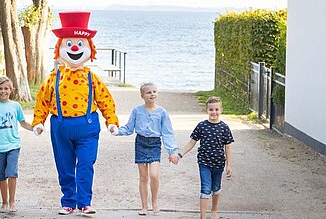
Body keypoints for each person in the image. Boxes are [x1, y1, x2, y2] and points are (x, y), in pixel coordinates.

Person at [32, 11, 119, 216]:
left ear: (90, 48)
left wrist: (111, 121)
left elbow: (105, 100)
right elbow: (43, 100)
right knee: (64, 166)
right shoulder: (54, 77)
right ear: (59, 48)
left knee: (86, 163)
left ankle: (85, 202)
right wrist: (38, 121)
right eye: (69, 43)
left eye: (80, 44)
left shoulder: (92, 77)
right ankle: (68, 201)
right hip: (60, 126)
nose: (74, 48)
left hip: (87, 126)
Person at [109, 82, 179, 216]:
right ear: (142, 95)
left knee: (154, 175)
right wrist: (116, 130)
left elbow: (167, 132)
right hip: (140, 143)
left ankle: (154, 202)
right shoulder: (137, 111)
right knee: (143, 177)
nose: (152, 94)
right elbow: (129, 128)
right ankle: (144, 206)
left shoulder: (162, 112)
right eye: (148, 92)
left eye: (154, 91)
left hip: (154, 144)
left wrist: (172, 151)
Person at [0, 76, 33, 213]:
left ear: (11, 90)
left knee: (12, 173)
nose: (3, 91)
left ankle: (12, 201)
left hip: (13, 145)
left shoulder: (16, 106)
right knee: (1, 176)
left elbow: (23, 123)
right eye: (0, 89)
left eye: (6, 88)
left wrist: (35, 128)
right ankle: (4, 202)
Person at [175, 96, 234, 219]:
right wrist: (180, 154)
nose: (214, 112)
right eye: (211, 109)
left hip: (219, 163)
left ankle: (214, 211)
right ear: (207, 110)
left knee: (216, 188)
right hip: (204, 163)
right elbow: (192, 142)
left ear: (221, 110)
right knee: (206, 188)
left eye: (216, 109)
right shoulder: (202, 126)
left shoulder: (224, 127)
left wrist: (229, 165)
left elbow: (228, 147)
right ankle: (203, 216)